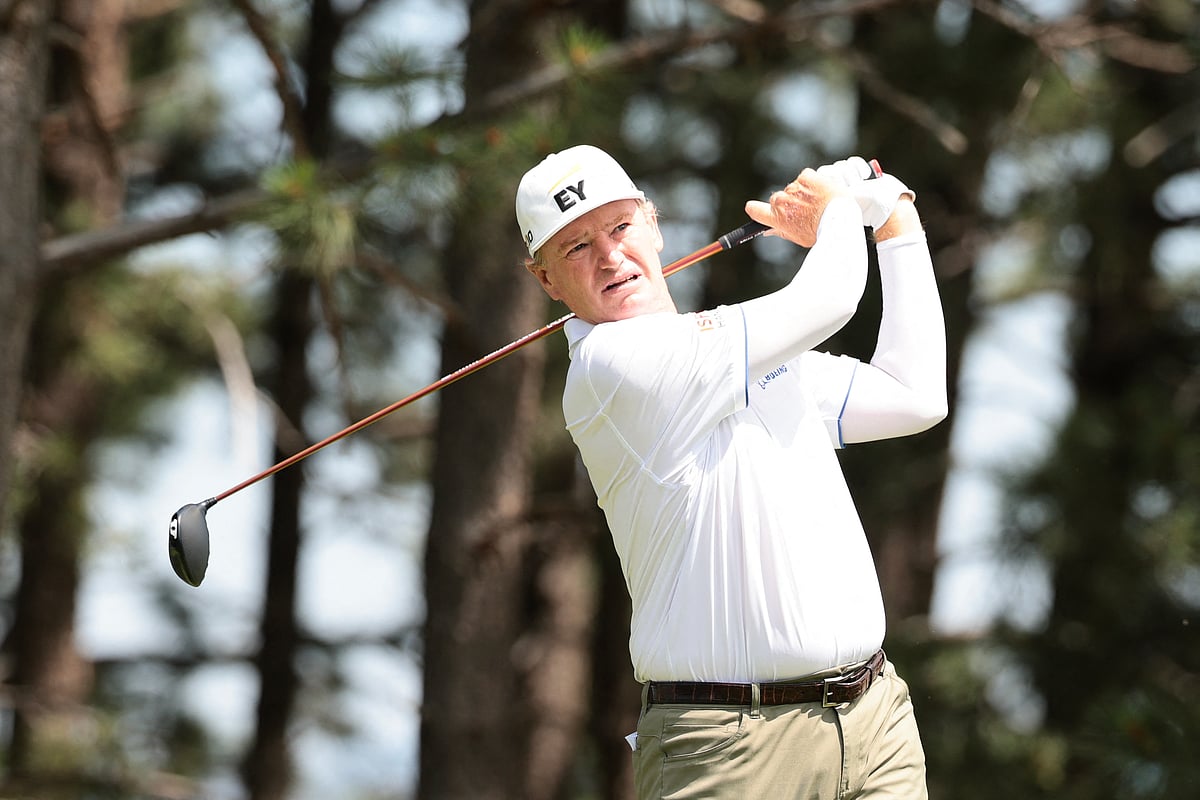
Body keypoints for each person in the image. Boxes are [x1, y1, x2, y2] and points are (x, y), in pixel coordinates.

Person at [515, 144, 946, 799]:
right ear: (545, 280)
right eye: (575, 247)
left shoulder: (742, 354)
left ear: (654, 225)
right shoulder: (610, 368)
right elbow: (828, 299)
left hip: (874, 719)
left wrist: (894, 224)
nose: (609, 255)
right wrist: (841, 208)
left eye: (621, 227)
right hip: (729, 749)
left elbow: (915, 395)